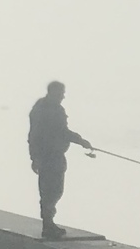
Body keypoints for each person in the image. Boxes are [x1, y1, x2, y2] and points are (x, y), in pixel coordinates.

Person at [27, 81, 92, 239]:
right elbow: (36, 136)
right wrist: (35, 158)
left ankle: (49, 223)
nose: (63, 96)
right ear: (54, 92)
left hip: (54, 155)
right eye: (61, 93)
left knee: (54, 191)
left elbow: (62, 132)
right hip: (48, 156)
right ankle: (48, 224)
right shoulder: (44, 110)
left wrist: (80, 141)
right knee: (50, 191)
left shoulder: (52, 108)